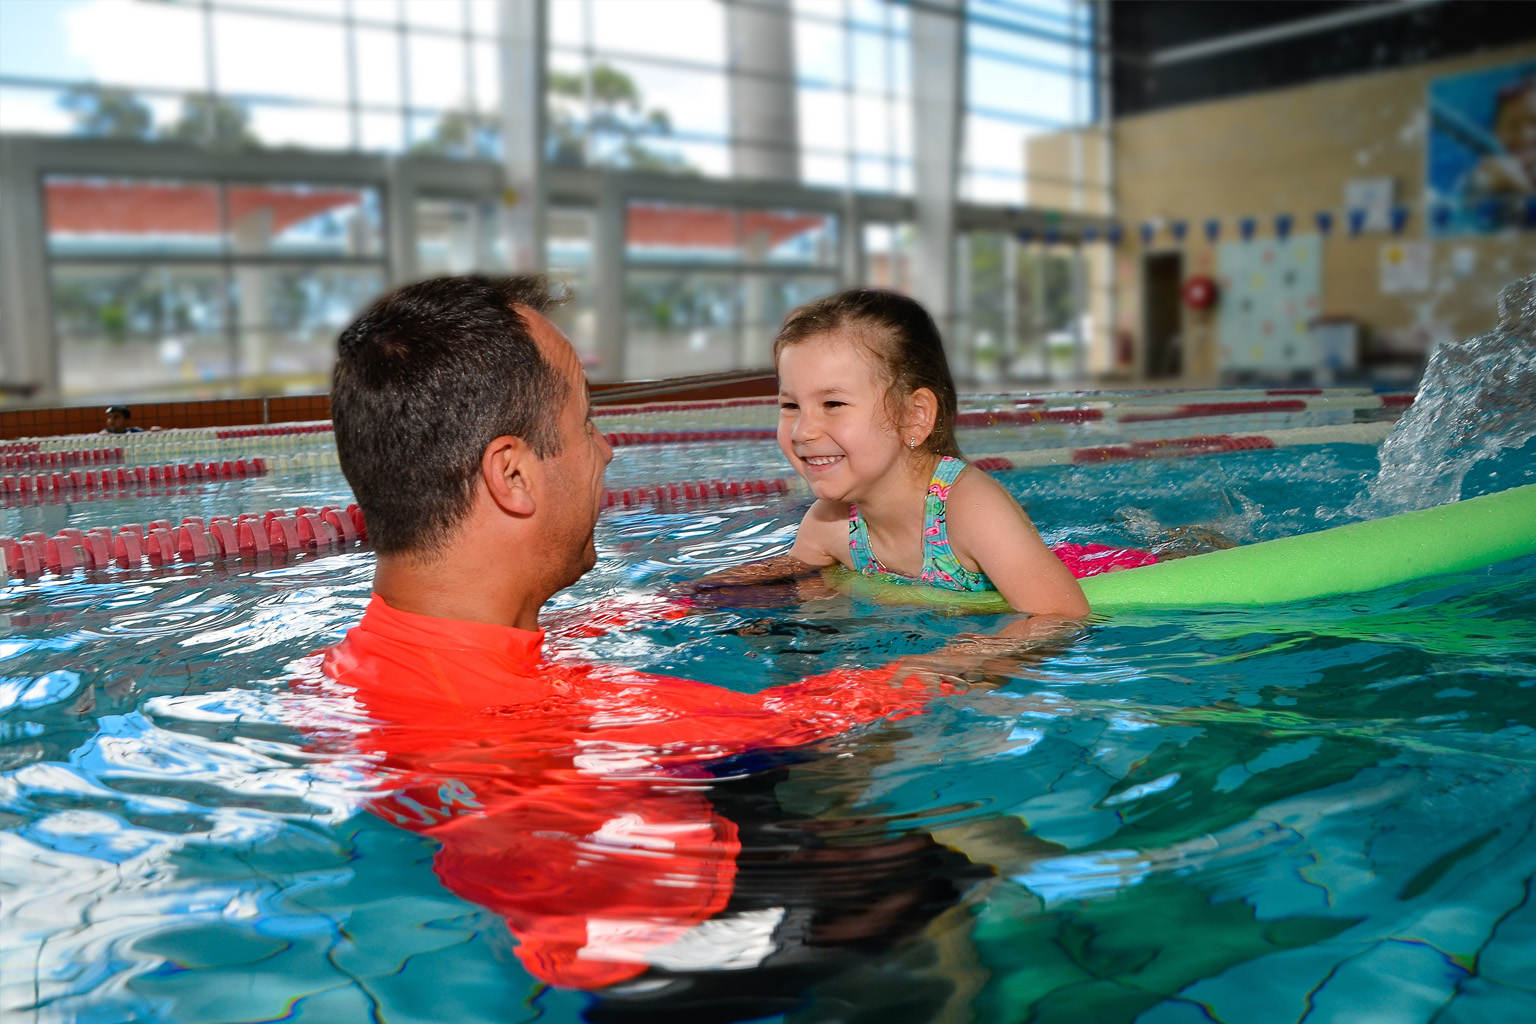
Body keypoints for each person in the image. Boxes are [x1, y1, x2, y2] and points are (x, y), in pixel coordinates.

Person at [319, 275, 1023, 1002]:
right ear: (513, 475)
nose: (608, 451)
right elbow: (822, 716)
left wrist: (686, 601)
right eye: (586, 423)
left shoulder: (340, 675)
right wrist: (1001, 644)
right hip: (672, 941)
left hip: (610, 870)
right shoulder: (561, 714)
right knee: (962, 854)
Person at [689, 289, 1159, 618]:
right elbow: (793, 578)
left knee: (1179, 548)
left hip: (1102, 570)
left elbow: (1061, 613)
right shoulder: (831, 523)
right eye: (790, 405)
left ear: (914, 416)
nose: (804, 429)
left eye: (832, 404)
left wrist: (962, 661)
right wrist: (690, 597)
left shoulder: (969, 509)